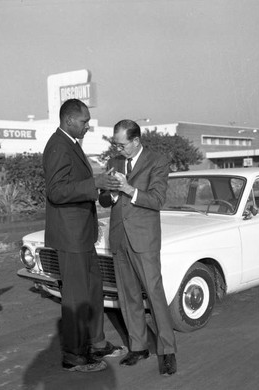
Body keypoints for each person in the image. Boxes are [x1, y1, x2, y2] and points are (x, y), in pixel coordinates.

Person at [43, 99, 126, 373]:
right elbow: (56, 191)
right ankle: (74, 355)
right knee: (77, 297)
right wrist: (95, 183)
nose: (88, 126)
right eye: (84, 121)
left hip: (82, 234)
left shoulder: (72, 145)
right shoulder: (58, 146)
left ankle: (96, 342)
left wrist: (104, 188)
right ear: (68, 120)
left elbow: (77, 187)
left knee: (92, 290)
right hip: (70, 236)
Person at [99, 119, 177, 376]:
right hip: (120, 237)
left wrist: (127, 188)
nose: (118, 149)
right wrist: (108, 193)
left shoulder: (158, 161)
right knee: (128, 295)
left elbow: (157, 200)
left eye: (122, 145)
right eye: (115, 144)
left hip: (144, 240)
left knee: (154, 295)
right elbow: (105, 199)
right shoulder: (113, 162)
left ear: (135, 141)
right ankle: (138, 346)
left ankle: (167, 351)